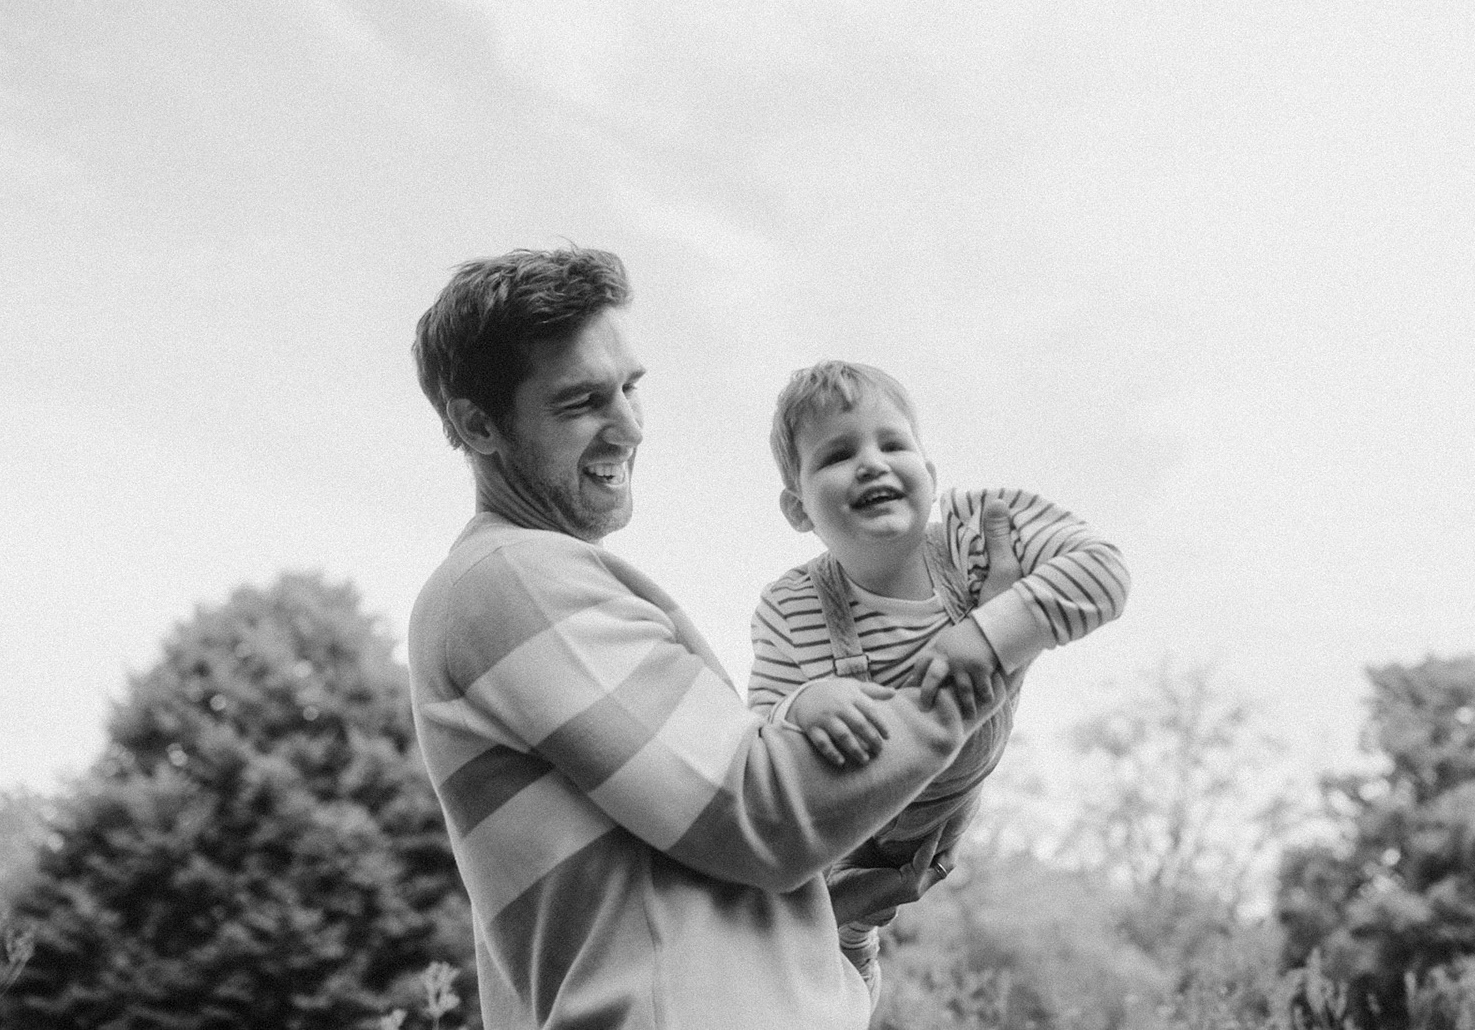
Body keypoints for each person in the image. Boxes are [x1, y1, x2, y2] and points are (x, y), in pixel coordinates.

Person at [406, 247, 1021, 1030]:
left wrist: (842, 932)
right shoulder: (512, 579)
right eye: (582, 402)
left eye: (630, 388)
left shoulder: (531, 585)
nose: (629, 427)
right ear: (477, 423)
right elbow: (762, 814)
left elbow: (712, 868)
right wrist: (990, 649)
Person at [749, 360, 1131, 995]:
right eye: (838, 455)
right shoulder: (791, 606)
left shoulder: (974, 536)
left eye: (893, 444)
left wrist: (988, 633)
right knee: (797, 935)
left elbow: (1103, 573)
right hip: (844, 824)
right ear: (798, 509)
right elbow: (758, 736)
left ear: (929, 474)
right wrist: (807, 701)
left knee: (846, 937)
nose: (872, 464)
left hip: (934, 820)